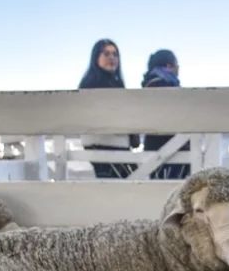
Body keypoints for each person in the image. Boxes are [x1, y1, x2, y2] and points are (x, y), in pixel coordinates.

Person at [78, 39, 139, 179]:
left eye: (115, 54)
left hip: (119, 145)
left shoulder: (117, 83)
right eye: (106, 54)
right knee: (123, 186)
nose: (112, 58)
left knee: (130, 183)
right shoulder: (91, 84)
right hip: (101, 144)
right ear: (96, 57)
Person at [141, 49, 190, 180]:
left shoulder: (148, 85)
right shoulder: (166, 85)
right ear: (170, 66)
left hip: (156, 148)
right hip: (169, 149)